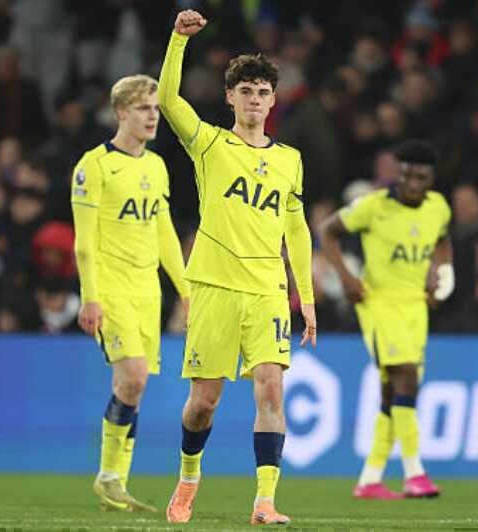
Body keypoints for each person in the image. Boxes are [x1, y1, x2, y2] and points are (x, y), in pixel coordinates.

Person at [157, 10, 316, 526]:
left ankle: (265, 501)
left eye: (262, 91)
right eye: (245, 90)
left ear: (273, 100)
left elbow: (298, 231)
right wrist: (179, 42)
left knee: (270, 386)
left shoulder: (290, 159)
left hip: (268, 291)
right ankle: (187, 478)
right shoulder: (209, 145)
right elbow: (167, 101)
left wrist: (306, 300)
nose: (254, 99)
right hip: (214, 287)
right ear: (231, 97)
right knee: (203, 402)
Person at [71, 74, 188, 513]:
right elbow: (83, 241)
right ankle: (110, 477)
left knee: (132, 385)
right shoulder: (94, 167)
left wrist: (186, 290)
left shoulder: (155, 166)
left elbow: (164, 235)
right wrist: (90, 296)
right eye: (143, 108)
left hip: (146, 291)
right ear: (121, 112)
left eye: (156, 108)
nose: (153, 115)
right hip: (111, 288)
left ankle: (111, 479)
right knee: (135, 375)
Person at [319, 139, 454, 499]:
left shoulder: (438, 207)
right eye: (406, 174)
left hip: (416, 307)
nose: (412, 182)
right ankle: (415, 473)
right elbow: (327, 230)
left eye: (420, 176)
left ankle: (370, 479)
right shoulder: (373, 207)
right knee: (406, 377)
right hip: (379, 304)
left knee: (394, 392)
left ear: (431, 178)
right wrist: (347, 277)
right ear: (399, 172)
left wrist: (440, 271)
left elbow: (442, 241)